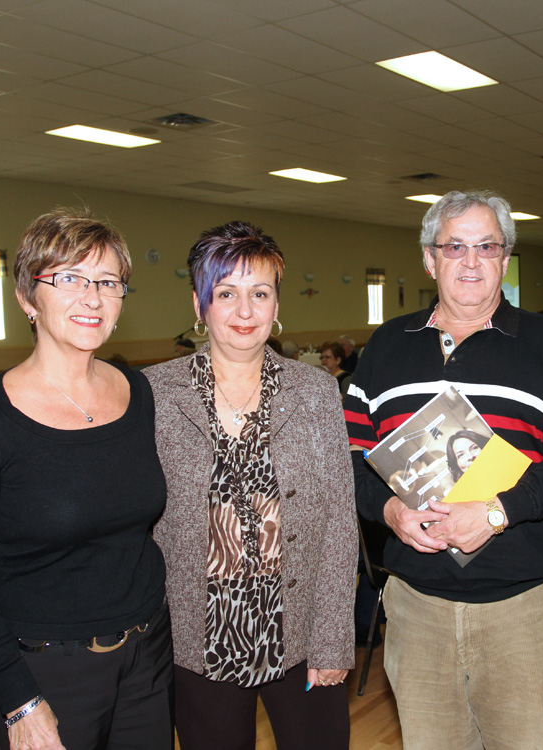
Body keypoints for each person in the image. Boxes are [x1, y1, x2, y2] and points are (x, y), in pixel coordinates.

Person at [345, 189, 543, 750]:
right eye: (454, 246)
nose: (470, 261)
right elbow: (349, 461)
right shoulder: (386, 347)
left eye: (486, 247)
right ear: (428, 258)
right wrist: (390, 509)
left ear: (505, 258)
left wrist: (495, 512)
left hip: (523, 610)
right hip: (417, 609)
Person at [0, 208, 173, 750]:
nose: (92, 297)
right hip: (43, 672)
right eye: (68, 278)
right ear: (26, 298)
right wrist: (18, 700)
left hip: (146, 655)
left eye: (108, 282)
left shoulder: (139, 395)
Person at [145, 221, 356, 750]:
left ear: (276, 303)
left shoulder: (316, 391)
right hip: (199, 640)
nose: (245, 312)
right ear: (199, 304)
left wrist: (333, 639)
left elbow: (338, 520)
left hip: (301, 633)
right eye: (226, 294)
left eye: (259, 293)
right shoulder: (153, 394)